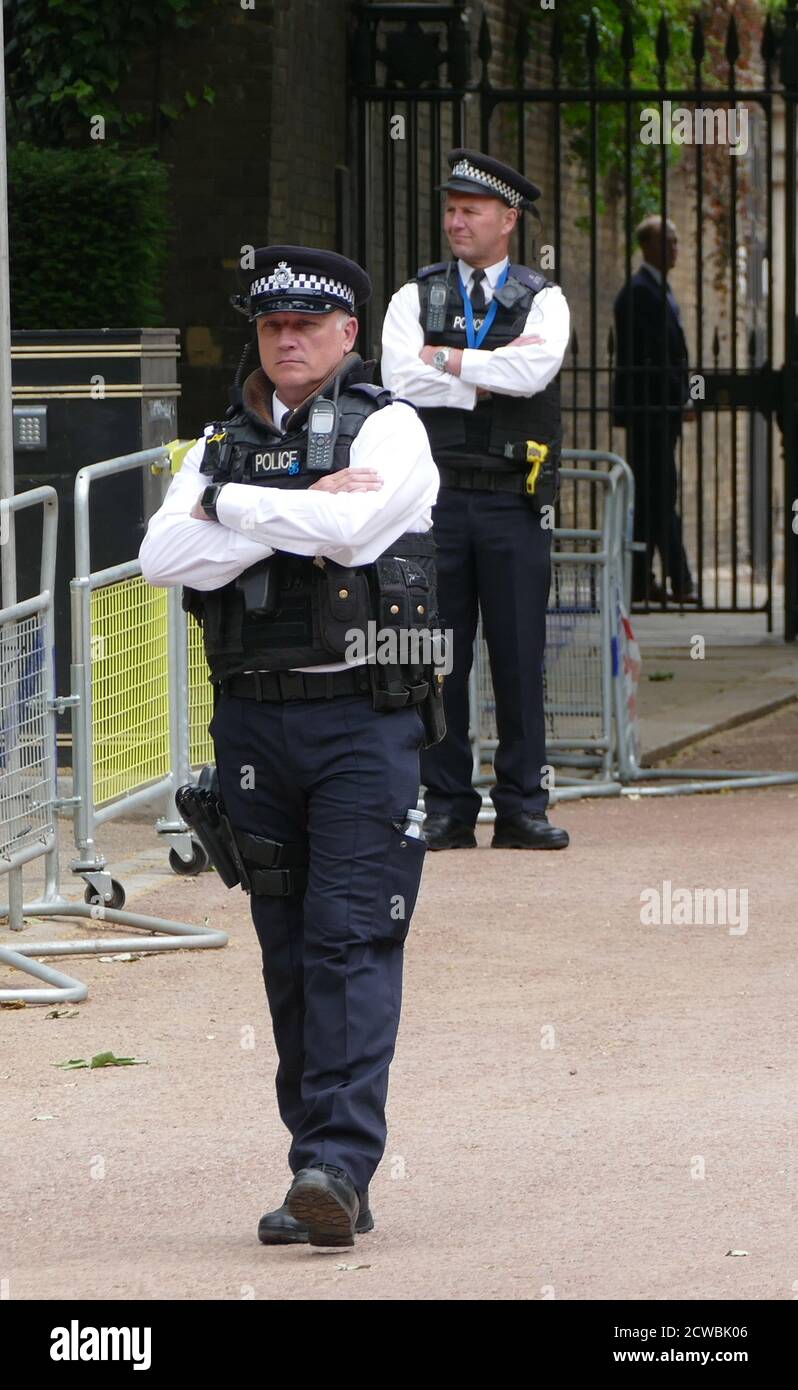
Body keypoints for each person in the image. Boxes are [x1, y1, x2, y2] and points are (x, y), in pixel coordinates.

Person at [139, 246, 440, 1248]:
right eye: (272, 328)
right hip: (256, 722)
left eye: (308, 325)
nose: (289, 340)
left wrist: (232, 508)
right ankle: (319, 1161)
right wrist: (285, 510)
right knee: (286, 950)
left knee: (348, 936)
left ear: (348, 333)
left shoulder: (393, 426)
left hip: (365, 720)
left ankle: (335, 1167)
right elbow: (161, 555)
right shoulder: (220, 443)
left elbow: (356, 536)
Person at [381, 148, 571, 851]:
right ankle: (447, 807)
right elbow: (399, 377)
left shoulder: (541, 297)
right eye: (452, 209)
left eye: (472, 210)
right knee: (438, 658)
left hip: (514, 504)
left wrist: (446, 360)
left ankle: (522, 805)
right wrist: (481, 375)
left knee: (520, 656)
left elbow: (532, 373)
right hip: (435, 504)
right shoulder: (417, 295)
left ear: (508, 220)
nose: (457, 221)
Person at [612, 215, 698, 604]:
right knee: (660, 494)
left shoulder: (657, 289)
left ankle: (641, 580)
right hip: (649, 412)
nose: (675, 249)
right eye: (669, 242)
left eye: (677, 242)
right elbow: (653, 359)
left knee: (652, 497)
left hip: (660, 411)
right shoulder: (639, 292)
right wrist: (679, 397)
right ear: (647, 247)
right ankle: (677, 581)